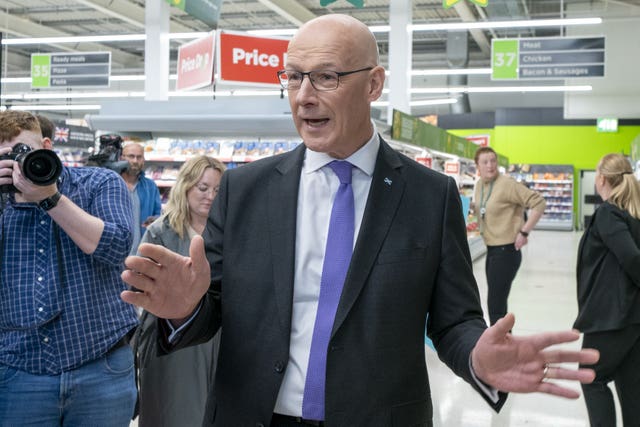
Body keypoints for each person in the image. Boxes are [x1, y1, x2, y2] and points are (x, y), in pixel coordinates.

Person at [121, 14, 598, 427]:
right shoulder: (247, 189)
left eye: (326, 77)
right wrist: (185, 308)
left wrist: (476, 355)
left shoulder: (430, 196)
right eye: (292, 77)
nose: (303, 96)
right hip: (252, 414)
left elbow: (454, 320)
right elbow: (215, 306)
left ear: (373, 84)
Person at [0, 110, 138, 425]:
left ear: (47, 147)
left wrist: (50, 199)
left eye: (24, 153)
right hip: (17, 370)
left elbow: (115, 247)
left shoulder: (99, 182)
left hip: (100, 365)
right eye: (6, 158)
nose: (18, 166)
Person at [134, 155, 226, 427]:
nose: (210, 196)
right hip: (172, 338)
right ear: (186, 187)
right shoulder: (161, 232)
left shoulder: (228, 231)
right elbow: (143, 283)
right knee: (173, 410)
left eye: (218, 190)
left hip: (219, 335)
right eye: (203, 188)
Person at [574, 153, 640, 427]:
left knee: (591, 378)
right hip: (633, 317)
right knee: (631, 386)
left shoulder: (609, 213)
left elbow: (632, 258)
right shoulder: (633, 213)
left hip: (611, 318)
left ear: (601, 178)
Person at [473, 146, 546, 325]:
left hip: (506, 251)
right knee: (497, 303)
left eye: (493, 161)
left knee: (495, 304)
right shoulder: (480, 185)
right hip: (491, 250)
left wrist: (524, 231)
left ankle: (501, 346)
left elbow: (539, 202)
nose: (490, 165)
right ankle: (504, 344)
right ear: (478, 166)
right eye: (485, 162)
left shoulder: (507, 184)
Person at [120, 141, 162, 255]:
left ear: (143, 160)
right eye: (131, 156)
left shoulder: (150, 186)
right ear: (121, 158)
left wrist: (155, 220)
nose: (135, 161)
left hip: (141, 253)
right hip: (116, 253)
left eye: (139, 157)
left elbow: (159, 215)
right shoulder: (112, 183)